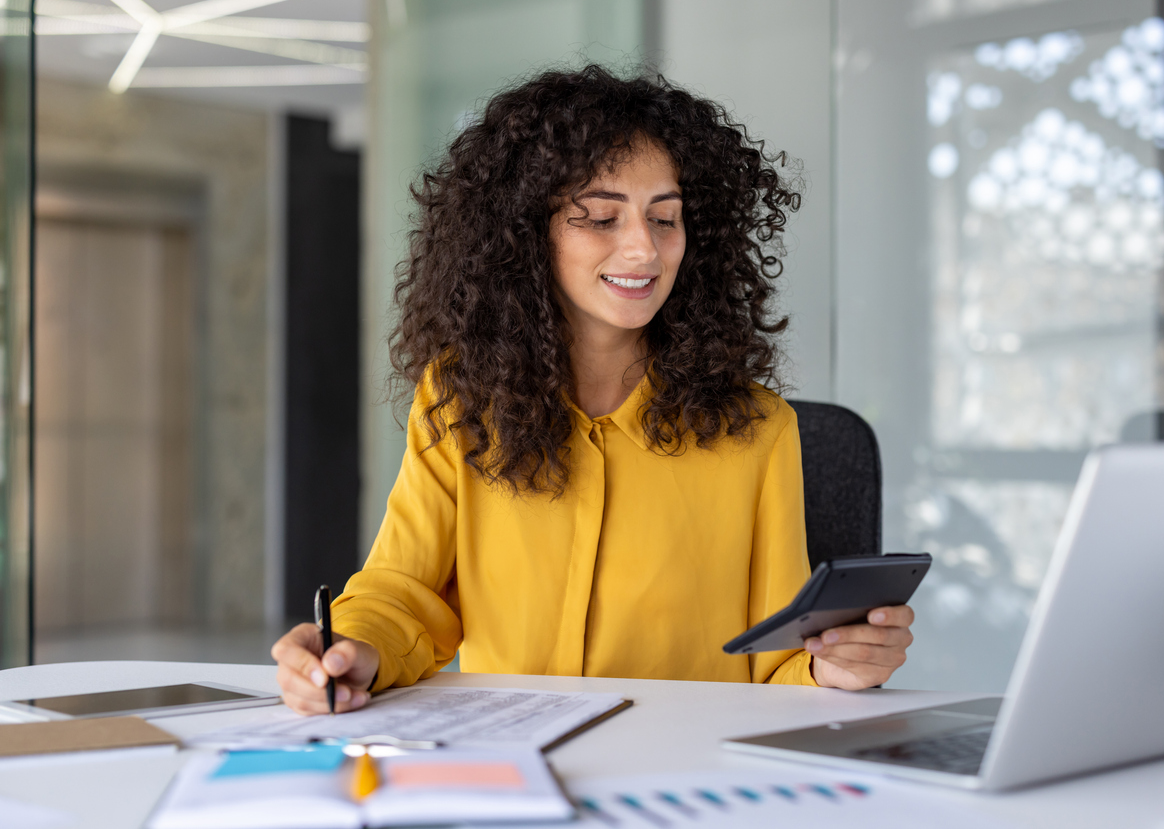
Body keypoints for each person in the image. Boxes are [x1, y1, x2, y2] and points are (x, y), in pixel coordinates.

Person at [272, 65, 915, 715]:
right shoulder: (460, 398)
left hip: (680, 777)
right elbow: (405, 592)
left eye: (664, 219)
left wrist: (837, 667)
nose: (644, 248)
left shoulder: (758, 428)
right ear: (526, 234)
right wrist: (353, 647)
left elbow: (780, 665)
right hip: (510, 762)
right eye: (601, 218)